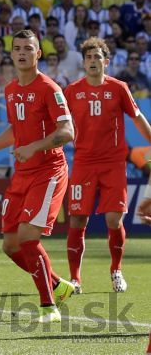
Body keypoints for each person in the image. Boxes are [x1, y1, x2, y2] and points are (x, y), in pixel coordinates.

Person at [0, 29, 76, 323]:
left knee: (28, 239)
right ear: (12, 54)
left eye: (28, 48)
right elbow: (16, 129)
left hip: (49, 170)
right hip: (23, 173)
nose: (22, 53)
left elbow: (68, 132)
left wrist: (35, 147)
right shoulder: (11, 89)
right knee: (10, 245)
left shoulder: (50, 88)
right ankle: (55, 283)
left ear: (38, 53)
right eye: (17, 49)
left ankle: (48, 307)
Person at [64, 37, 151, 295]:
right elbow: (59, 123)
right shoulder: (71, 91)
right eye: (89, 57)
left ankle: (116, 270)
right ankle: (75, 279)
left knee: (114, 219)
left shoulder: (119, 88)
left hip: (113, 163)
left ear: (107, 61)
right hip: (83, 162)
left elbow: (137, 118)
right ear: (83, 62)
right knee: (78, 219)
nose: (93, 61)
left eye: (97, 57)